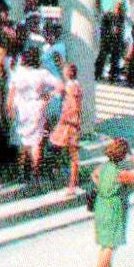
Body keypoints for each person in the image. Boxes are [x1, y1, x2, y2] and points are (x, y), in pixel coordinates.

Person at [90, 138, 134, 267]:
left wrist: (103, 187)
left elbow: (94, 176)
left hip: (101, 205)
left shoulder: (104, 167)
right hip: (114, 208)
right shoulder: (120, 174)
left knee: (105, 243)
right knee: (111, 244)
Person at [7, 46, 62, 186]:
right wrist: (48, 96)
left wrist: (9, 108)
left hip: (20, 107)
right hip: (37, 106)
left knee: (21, 141)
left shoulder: (18, 72)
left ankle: (21, 172)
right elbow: (60, 86)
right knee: (36, 142)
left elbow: (11, 92)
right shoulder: (42, 73)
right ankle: (34, 173)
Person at [49, 61, 84, 193]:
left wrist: (65, 117)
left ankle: (72, 184)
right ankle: (60, 173)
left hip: (69, 124)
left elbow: (75, 107)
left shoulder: (71, 87)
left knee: (72, 154)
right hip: (69, 123)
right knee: (59, 147)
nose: (63, 72)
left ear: (69, 73)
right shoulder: (74, 85)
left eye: (65, 70)